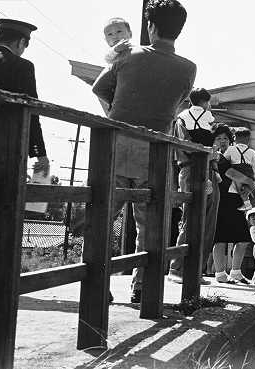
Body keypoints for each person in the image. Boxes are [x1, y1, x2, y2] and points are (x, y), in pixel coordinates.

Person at [92, 0, 196, 303]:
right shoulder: (189, 68)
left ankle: (99, 283)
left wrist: (117, 111)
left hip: (116, 145)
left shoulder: (128, 56)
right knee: (149, 222)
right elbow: (180, 103)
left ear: (150, 26)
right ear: (179, 28)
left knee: (103, 215)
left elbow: (99, 88)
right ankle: (142, 286)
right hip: (155, 152)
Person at [0, 18, 49, 279]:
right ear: (20, 42)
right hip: (2, 153)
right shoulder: (22, 66)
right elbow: (31, 112)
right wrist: (39, 153)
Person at [167, 88, 221, 285]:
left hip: (188, 169)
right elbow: (214, 148)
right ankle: (187, 268)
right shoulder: (210, 119)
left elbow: (181, 147)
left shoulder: (181, 119)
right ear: (205, 102)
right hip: (205, 170)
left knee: (190, 217)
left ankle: (182, 268)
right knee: (205, 219)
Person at [212, 124, 251, 284]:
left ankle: (235, 272)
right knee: (219, 239)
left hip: (235, 198)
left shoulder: (235, 155)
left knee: (242, 238)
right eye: (219, 138)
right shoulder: (212, 155)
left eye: (225, 138)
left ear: (231, 140)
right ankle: (220, 274)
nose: (222, 141)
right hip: (219, 199)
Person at [223, 127, 255, 211]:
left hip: (236, 173)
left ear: (235, 139)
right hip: (248, 174)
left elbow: (224, 160)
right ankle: (247, 203)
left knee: (238, 188)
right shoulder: (252, 151)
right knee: (244, 193)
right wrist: (252, 177)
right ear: (248, 140)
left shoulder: (231, 149)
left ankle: (247, 204)